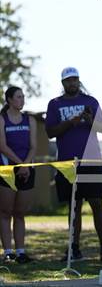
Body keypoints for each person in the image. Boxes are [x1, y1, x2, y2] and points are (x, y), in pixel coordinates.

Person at [45, 67, 102, 262]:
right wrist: (71, 122)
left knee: (97, 204)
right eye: (68, 80)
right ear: (63, 83)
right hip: (67, 163)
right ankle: (73, 248)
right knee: (74, 206)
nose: (72, 83)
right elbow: (50, 132)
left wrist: (89, 119)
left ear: (79, 81)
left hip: (92, 161)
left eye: (75, 80)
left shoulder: (91, 101)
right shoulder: (55, 104)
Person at [0, 86, 37, 264]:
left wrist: (25, 166)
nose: (22, 100)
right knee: (6, 212)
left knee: (20, 212)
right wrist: (19, 164)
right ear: (9, 100)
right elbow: (2, 146)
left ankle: (21, 252)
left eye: (23, 97)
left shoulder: (30, 120)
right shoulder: (2, 119)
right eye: (18, 97)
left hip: (27, 171)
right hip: (7, 170)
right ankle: (8, 252)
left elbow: (34, 146)